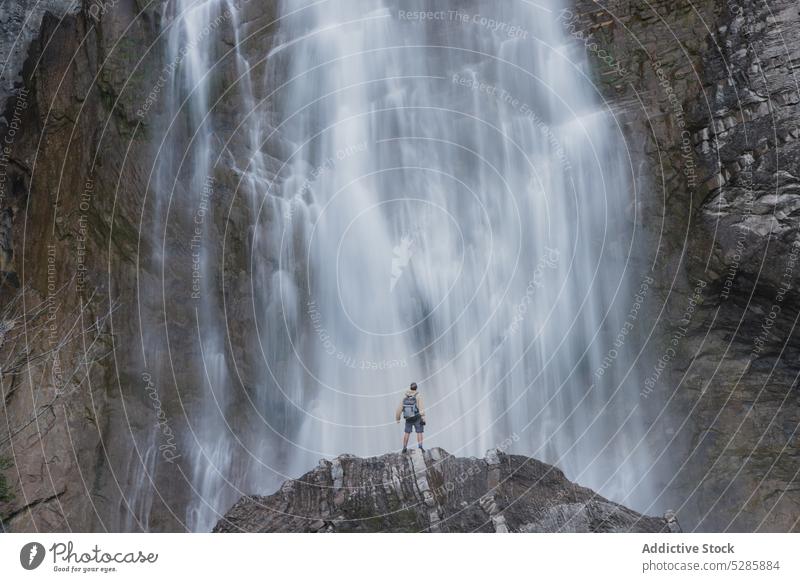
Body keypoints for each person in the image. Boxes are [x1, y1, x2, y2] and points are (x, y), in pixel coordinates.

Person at [395, 382, 425, 453]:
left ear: (410, 388)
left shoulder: (405, 397)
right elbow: (421, 408)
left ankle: (404, 448)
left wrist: (397, 419)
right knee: (419, 432)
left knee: (407, 432)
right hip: (417, 417)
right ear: (416, 388)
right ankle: (420, 447)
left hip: (408, 418)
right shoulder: (418, 396)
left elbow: (399, 410)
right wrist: (423, 418)